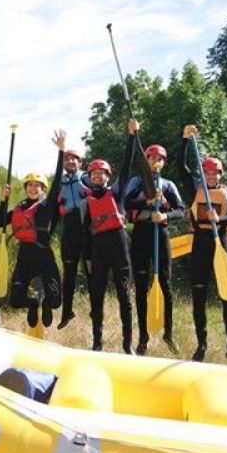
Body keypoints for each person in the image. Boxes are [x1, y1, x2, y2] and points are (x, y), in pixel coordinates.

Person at [178, 125, 227, 362]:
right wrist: (185, 141)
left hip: (222, 245)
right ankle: (202, 344)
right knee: (198, 296)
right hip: (200, 245)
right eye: (207, 173)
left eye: (215, 174)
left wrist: (221, 218)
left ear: (221, 175)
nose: (211, 177)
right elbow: (181, 167)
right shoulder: (196, 189)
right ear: (203, 175)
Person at [0, 129, 66, 329]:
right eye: (30, 186)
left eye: (38, 186)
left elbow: (58, 182)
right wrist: (3, 201)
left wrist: (61, 152)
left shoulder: (46, 205)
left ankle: (45, 303)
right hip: (24, 256)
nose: (33, 189)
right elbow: (0, 222)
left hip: (44, 255)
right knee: (16, 300)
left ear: (43, 189)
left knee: (56, 301)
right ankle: (34, 303)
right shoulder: (19, 208)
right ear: (26, 188)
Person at [124, 144, 185, 355]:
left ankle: (168, 333)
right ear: (147, 161)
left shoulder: (168, 185)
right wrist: (147, 200)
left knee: (165, 285)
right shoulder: (136, 181)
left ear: (163, 163)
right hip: (141, 235)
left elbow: (181, 210)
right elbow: (126, 202)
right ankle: (143, 337)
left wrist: (165, 215)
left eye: (159, 159)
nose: (155, 162)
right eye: (151, 158)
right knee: (141, 287)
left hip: (161, 235)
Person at [83, 119, 138, 354]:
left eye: (101, 174)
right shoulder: (86, 200)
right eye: (93, 174)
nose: (97, 177)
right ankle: (98, 343)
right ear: (90, 177)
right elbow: (86, 232)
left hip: (119, 244)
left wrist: (132, 137)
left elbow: (126, 166)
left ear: (107, 176)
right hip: (98, 249)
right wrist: (87, 258)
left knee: (124, 295)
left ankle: (127, 345)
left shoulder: (116, 192)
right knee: (96, 295)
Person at [55, 148, 92, 329]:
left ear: (80, 162)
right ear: (63, 163)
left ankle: (95, 308)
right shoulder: (58, 182)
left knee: (91, 271)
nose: (70, 161)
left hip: (87, 230)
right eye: (67, 159)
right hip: (69, 229)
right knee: (68, 274)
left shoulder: (88, 178)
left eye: (74, 159)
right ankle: (67, 312)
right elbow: (51, 210)